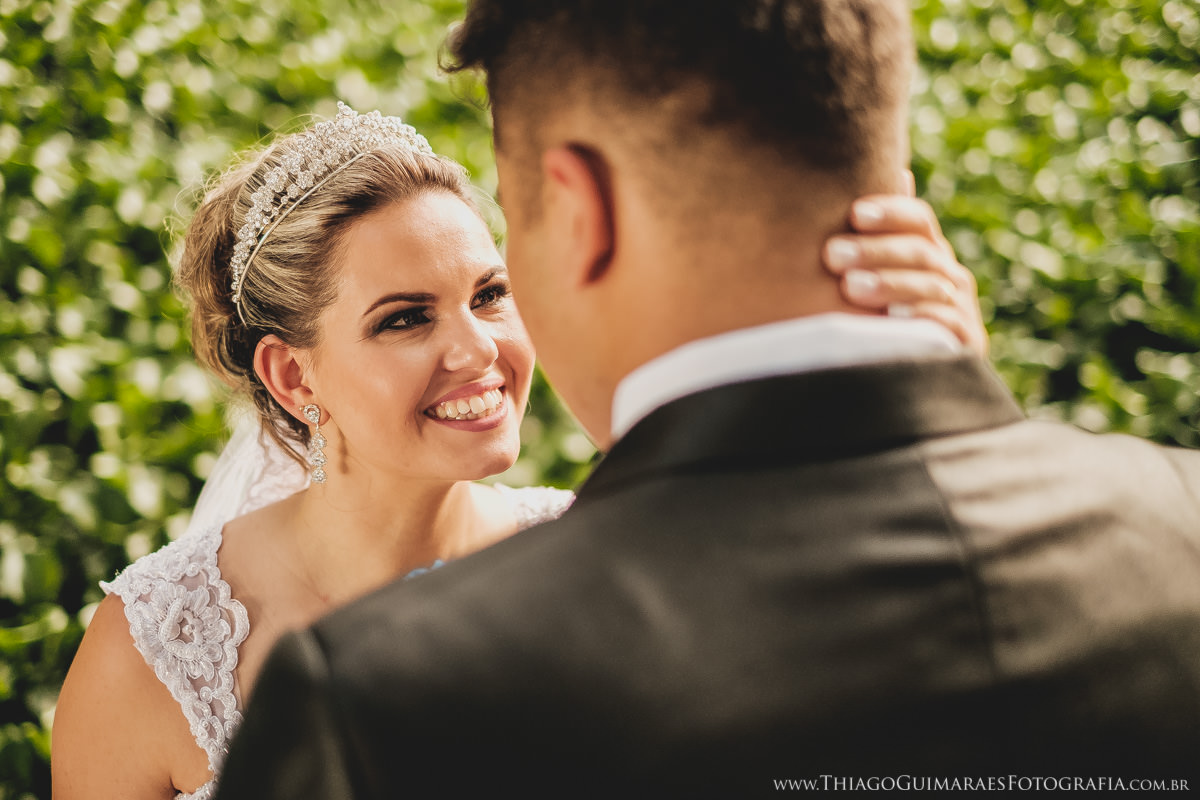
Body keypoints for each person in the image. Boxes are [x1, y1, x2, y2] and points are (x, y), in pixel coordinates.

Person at [212, 0, 1200, 795]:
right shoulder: (1179, 520)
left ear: (581, 210)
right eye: (404, 317)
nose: (480, 344)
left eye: (507, 246)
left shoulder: (386, 705)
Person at [50, 95, 979, 800]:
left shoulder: (608, 562)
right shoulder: (156, 649)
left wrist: (944, 384)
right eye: (405, 318)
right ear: (293, 377)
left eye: (490, 295)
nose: (478, 351)